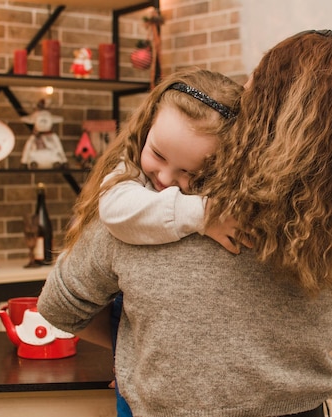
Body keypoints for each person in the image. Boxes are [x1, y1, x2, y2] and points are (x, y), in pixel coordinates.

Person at [38, 29, 332, 417]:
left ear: (262, 117)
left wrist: (143, 353)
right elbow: (330, 334)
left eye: (251, 86)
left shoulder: (146, 215)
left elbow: (60, 306)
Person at [63, 67, 245, 417]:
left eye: (190, 173)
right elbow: (117, 211)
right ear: (145, 129)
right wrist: (204, 215)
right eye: (159, 155)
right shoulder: (128, 172)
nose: (166, 180)